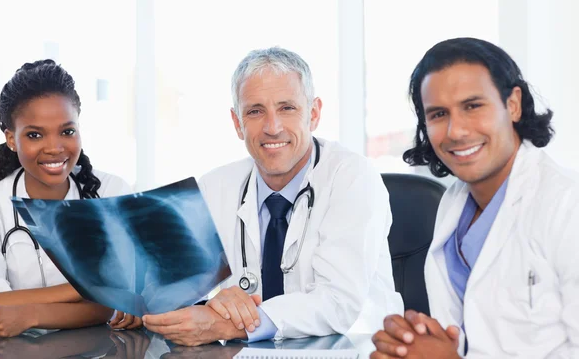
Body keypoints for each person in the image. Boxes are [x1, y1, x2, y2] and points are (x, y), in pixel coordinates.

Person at [142, 47, 403, 345]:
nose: (272, 127)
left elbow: (338, 301)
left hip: (353, 348)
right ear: (237, 123)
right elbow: (171, 284)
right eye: (255, 111)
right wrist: (209, 303)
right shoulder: (215, 187)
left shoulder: (352, 177)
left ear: (314, 113)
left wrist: (226, 325)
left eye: (287, 108)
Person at [370, 37, 579, 358]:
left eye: (472, 106)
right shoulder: (453, 205)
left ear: (513, 104)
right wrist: (414, 344)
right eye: (438, 114)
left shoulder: (567, 206)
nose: (456, 131)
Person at [0, 60, 140, 336]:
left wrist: (30, 314)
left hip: (104, 348)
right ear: (11, 139)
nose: (55, 148)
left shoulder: (112, 191)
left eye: (67, 131)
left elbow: (134, 299)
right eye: (34, 134)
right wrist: (89, 288)